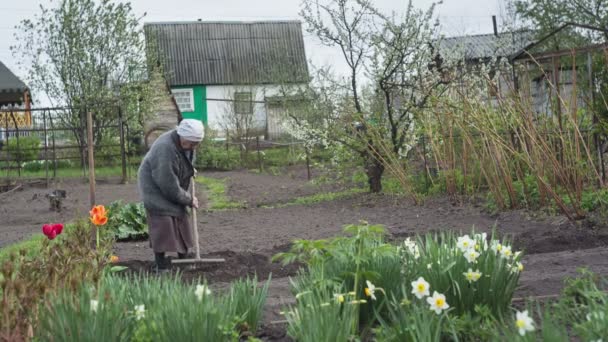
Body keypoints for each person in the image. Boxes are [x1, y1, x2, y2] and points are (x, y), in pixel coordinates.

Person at [137, 119, 204, 272]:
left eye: (196, 143)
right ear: (182, 135)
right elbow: (167, 183)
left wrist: (190, 169)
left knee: (182, 219)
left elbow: (184, 161)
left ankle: (184, 261)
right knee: (163, 223)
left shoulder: (186, 143)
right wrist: (188, 199)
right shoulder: (165, 148)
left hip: (171, 184)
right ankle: (160, 266)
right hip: (154, 187)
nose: (194, 146)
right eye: (192, 142)